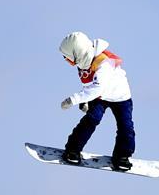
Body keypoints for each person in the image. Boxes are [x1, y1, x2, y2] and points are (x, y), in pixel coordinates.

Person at [58, 31, 135, 171]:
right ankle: (73, 150)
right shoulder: (84, 61)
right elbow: (89, 83)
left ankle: (122, 156)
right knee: (91, 119)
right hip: (100, 96)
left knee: (125, 126)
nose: (67, 61)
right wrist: (85, 101)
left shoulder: (104, 63)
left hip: (120, 97)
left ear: (77, 53)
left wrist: (73, 100)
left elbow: (98, 88)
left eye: (68, 58)